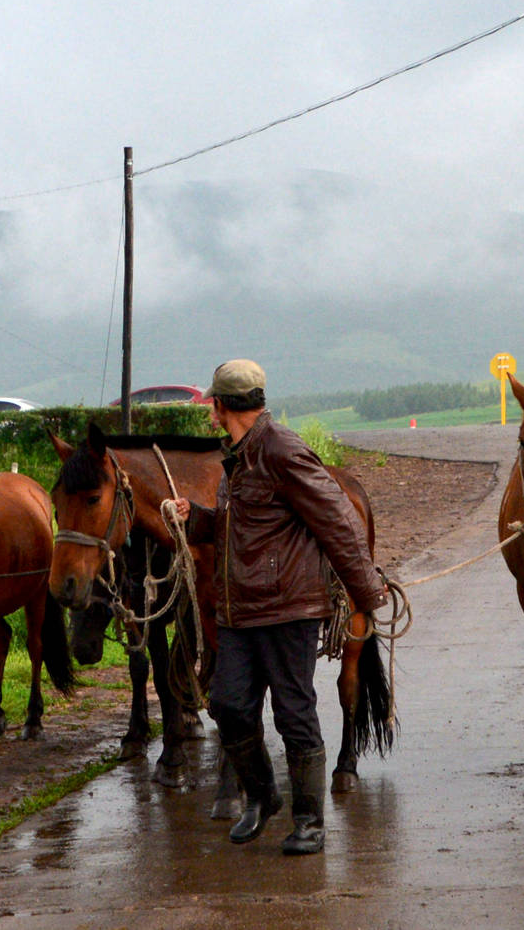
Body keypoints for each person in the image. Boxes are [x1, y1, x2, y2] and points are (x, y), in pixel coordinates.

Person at [171, 359, 385, 855]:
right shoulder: (239, 455)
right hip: (240, 609)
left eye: (213, 406)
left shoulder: (282, 449)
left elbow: (338, 522)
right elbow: (241, 525)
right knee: (227, 704)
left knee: (294, 712)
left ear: (221, 406)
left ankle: (309, 821)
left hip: (288, 608)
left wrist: (368, 594)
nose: (212, 415)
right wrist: (199, 519)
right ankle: (264, 797)